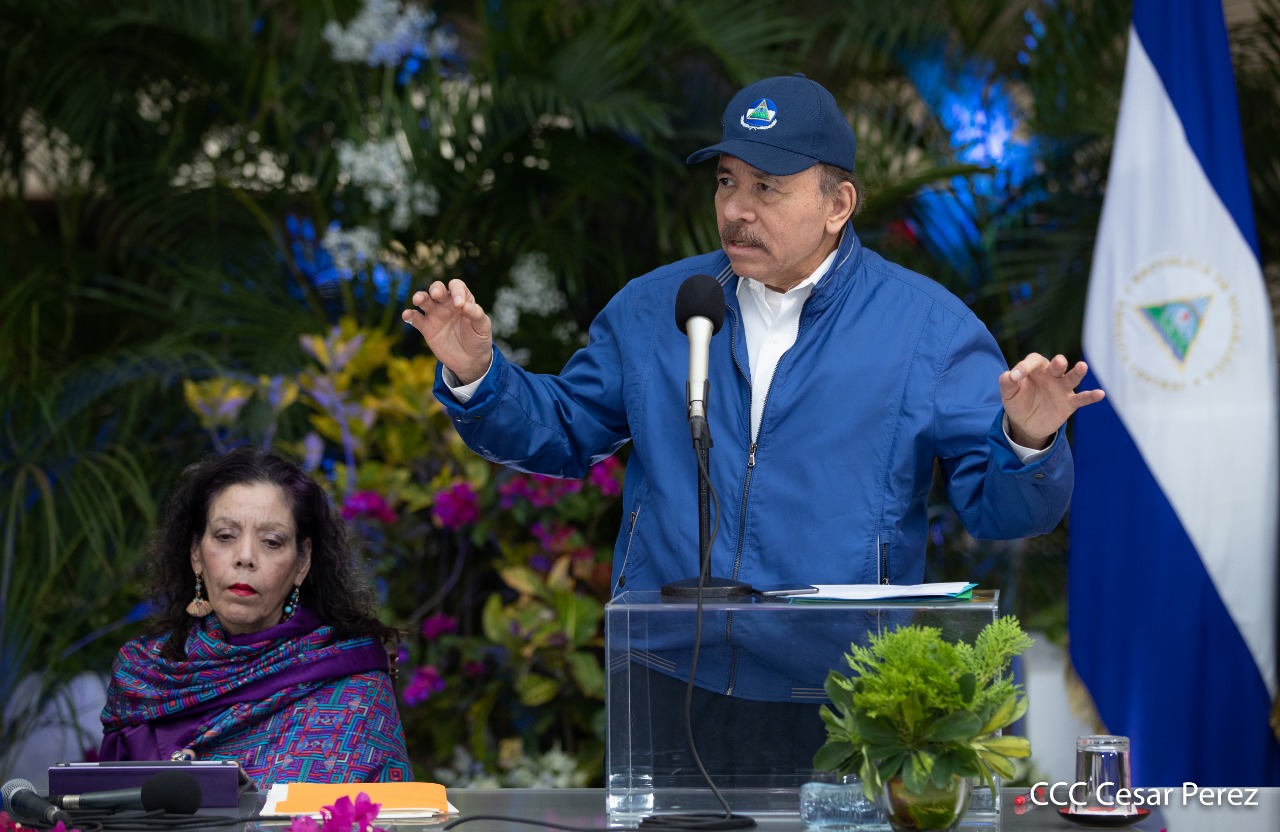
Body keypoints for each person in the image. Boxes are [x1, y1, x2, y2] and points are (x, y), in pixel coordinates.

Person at [401, 74, 1104, 768]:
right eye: (726, 182)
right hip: (668, 671)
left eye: (767, 187)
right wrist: (479, 375)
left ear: (838, 205)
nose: (737, 209)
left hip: (846, 685)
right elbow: (562, 431)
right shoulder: (658, 307)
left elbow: (1005, 512)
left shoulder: (929, 330)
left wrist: (1030, 438)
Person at [100, 448, 412, 785]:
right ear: (196, 553)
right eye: (225, 536)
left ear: (302, 562)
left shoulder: (352, 684)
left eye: (271, 542)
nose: (245, 556)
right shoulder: (145, 678)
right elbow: (110, 804)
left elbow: (385, 810)